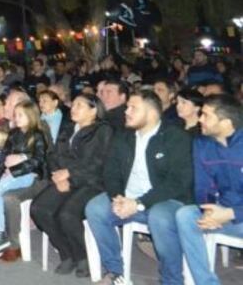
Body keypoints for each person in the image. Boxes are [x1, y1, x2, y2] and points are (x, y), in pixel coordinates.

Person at [83, 90, 193, 285]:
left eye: (133, 108)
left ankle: (172, 280)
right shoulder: (123, 136)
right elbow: (111, 173)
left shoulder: (175, 137)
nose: (127, 112)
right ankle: (115, 273)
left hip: (165, 200)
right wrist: (117, 197)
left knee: (159, 217)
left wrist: (139, 203)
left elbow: (177, 182)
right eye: (127, 107)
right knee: (95, 208)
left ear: (151, 113)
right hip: (128, 198)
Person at [30, 94, 114, 276]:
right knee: (39, 208)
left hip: (91, 182)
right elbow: (52, 154)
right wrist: (58, 176)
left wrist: (69, 174)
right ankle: (66, 253)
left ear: (93, 110)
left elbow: (98, 163)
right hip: (63, 179)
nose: (73, 108)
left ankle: (82, 256)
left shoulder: (102, 130)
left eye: (79, 105)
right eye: (73, 104)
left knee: (67, 213)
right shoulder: (68, 128)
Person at [172, 95, 243, 285]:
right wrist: (208, 212)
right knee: (185, 215)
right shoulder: (201, 144)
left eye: (206, 115)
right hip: (219, 212)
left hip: (238, 214)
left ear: (226, 122)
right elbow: (202, 188)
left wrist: (230, 213)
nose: (200, 119)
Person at [0, 100, 50, 257]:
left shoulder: (37, 135)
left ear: (31, 116)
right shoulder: (14, 134)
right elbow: (3, 159)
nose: (16, 118)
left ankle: (0, 235)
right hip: (12, 174)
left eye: (20, 115)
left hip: (28, 175)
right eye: (15, 115)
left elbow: (38, 161)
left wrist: (15, 169)